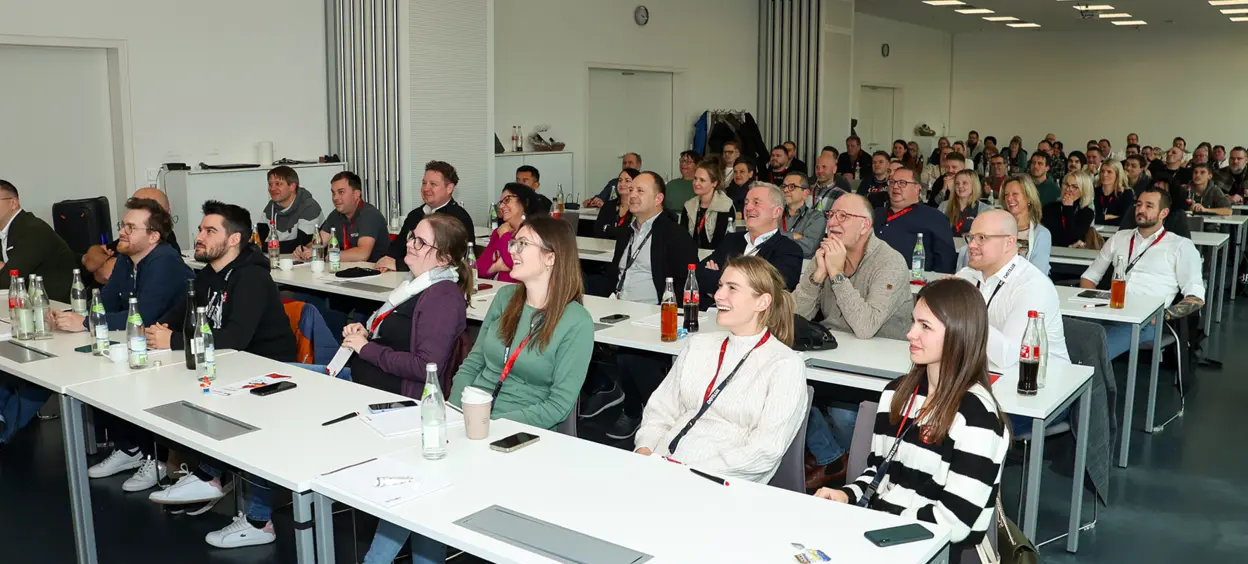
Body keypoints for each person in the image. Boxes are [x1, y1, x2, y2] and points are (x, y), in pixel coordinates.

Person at [364, 215, 593, 564]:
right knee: (421, 477)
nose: (512, 251)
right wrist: (454, 412)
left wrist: (488, 423)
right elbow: (471, 365)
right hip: (470, 418)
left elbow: (558, 405)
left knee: (431, 481)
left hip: (521, 433)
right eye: (514, 243)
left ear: (551, 257)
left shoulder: (575, 321)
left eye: (522, 244)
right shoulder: (505, 299)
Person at [139, 202, 298, 547]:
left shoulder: (252, 276)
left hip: (273, 372)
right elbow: (178, 314)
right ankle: (207, 476)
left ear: (234, 239)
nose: (199, 236)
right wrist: (160, 330)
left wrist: (176, 341)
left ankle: (256, 520)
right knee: (182, 392)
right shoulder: (206, 275)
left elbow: (238, 338)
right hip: (231, 367)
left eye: (210, 231)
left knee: (235, 411)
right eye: (200, 229)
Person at [814, 279, 1009, 555]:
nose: (909, 333)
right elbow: (879, 472)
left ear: (959, 334)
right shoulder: (898, 394)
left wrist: (877, 522)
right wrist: (847, 495)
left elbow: (955, 522)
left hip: (935, 550)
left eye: (925, 326)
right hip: (881, 534)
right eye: (913, 322)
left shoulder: (978, 417)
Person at [633, 256, 807, 483]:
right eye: (720, 286)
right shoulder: (699, 345)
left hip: (720, 483)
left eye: (732, 288)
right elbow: (660, 410)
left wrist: (689, 471)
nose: (718, 296)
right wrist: (644, 450)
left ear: (762, 302)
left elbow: (765, 451)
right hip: (661, 468)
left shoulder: (785, 365)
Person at [56, 198, 192, 481]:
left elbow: (142, 315)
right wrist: (71, 316)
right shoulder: (125, 261)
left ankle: (155, 457)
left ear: (153, 236)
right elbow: (104, 304)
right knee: (97, 367)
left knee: (117, 372)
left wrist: (83, 322)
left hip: (174, 348)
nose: (123, 232)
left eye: (132, 227)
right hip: (141, 342)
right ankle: (130, 448)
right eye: (123, 225)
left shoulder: (164, 261)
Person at [795, 194, 913, 489]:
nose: (832, 222)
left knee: (842, 412)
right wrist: (817, 275)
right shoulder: (826, 253)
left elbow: (865, 327)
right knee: (787, 386)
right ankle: (832, 456)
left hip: (881, 364)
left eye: (842, 217)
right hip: (834, 351)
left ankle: (855, 471)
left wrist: (835, 275)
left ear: (865, 225)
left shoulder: (890, 262)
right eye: (831, 215)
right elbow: (795, 314)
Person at [591, 172, 698, 434]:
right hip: (621, 306)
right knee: (576, 333)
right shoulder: (628, 231)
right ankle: (607, 389)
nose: (632, 194)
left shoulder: (673, 234)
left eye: (641, 191)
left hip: (654, 313)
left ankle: (643, 412)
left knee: (631, 357)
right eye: (631, 190)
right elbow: (616, 271)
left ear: (659, 198)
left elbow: (685, 281)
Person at [1081, 187, 1204, 359]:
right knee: (1066, 339)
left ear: (1164, 213)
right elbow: (1089, 277)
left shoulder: (1180, 246)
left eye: (1149, 206)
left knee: (1091, 355)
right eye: (1138, 205)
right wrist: (1090, 305)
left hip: (1146, 321)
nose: (1141, 210)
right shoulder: (1119, 238)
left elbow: (1196, 297)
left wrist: (1163, 315)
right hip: (1108, 310)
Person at [695, 183, 803, 304]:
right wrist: (741, 284)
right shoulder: (731, 240)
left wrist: (718, 280)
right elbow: (698, 274)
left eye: (756, 203)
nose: (748, 208)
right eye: (746, 203)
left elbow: (771, 289)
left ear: (776, 212)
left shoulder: (789, 250)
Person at [378, 161, 474, 272]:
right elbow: (397, 248)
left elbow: (454, 262)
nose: (426, 188)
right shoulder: (415, 215)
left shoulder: (458, 218)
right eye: (424, 183)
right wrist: (386, 262)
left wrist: (399, 265)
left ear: (449, 188)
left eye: (433, 184)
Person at [81, 186, 179, 286]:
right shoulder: (129, 235)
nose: (122, 231)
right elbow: (88, 259)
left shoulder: (165, 248)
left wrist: (104, 263)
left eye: (143, 207)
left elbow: (106, 274)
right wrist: (105, 262)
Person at [0, 179, 79, 301]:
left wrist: (5, 271)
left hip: (55, 307)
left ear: (13, 203)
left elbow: (8, 281)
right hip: (25, 303)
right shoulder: (7, 231)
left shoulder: (32, 230)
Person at [292, 171, 390, 263]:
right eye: (333, 193)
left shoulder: (370, 215)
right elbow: (320, 242)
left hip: (375, 273)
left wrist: (326, 254)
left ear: (356, 194)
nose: (335, 198)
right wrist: (305, 249)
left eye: (341, 192)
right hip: (347, 270)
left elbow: (362, 254)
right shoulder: (336, 215)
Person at [874, 166, 957, 273]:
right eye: (892, 182)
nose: (895, 186)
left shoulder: (935, 218)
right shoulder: (875, 214)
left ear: (917, 188)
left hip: (914, 282)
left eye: (902, 183)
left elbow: (946, 261)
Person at [478, 183, 539, 283]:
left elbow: (515, 263)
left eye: (507, 200)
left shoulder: (533, 232)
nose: (501, 206)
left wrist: (504, 236)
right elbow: (478, 268)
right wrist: (495, 267)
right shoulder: (498, 232)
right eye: (501, 202)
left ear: (525, 202)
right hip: (496, 291)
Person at [261, 165, 323, 253]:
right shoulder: (271, 206)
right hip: (278, 258)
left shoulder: (309, 206)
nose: (272, 188)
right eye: (270, 184)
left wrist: (265, 247)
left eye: (278, 184)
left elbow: (302, 244)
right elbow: (259, 237)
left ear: (292, 186)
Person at [679, 157, 736, 250]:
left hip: (715, 258)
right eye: (695, 178)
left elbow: (720, 242)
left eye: (702, 180)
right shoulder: (689, 205)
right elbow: (683, 238)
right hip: (691, 256)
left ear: (714, 183)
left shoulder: (725, 206)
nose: (696, 183)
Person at [998, 175, 1051, 275]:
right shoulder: (998, 229)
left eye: (1015, 194)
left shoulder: (1041, 234)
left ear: (1029, 198)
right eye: (1006, 195)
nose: (1009, 198)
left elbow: (1038, 273)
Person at [1042, 171, 1097, 248]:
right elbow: (1049, 237)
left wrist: (1068, 208)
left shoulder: (1086, 213)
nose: (1068, 189)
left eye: (1074, 187)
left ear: (1083, 191)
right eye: (1066, 184)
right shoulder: (1049, 208)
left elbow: (1073, 238)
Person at [779, 172, 824, 258]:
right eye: (784, 186)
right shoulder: (775, 213)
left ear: (805, 193)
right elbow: (762, 238)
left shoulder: (816, 217)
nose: (785, 190)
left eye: (792, 187)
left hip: (801, 268)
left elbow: (808, 248)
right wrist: (794, 236)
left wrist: (777, 237)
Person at [937, 170, 990, 237]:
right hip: (948, 246)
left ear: (974, 186)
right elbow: (936, 229)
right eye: (957, 183)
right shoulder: (944, 206)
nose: (960, 186)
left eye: (964, 183)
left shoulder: (984, 210)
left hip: (971, 246)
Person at [591, 168, 638, 240]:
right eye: (620, 180)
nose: (622, 184)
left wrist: (608, 229)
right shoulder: (608, 205)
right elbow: (598, 231)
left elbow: (630, 235)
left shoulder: (638, 208)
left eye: (627, 181)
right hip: (605, 247)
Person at [1095, 160, 1134, 226]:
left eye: (1109, 172)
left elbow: (1125, 220)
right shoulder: (1095, 191)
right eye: (1102, 171)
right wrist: (1106, 217)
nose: (1104, 175)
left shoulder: (1126, 193)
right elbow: (1088, 218)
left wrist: (1101, 218)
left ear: (1117, 174)